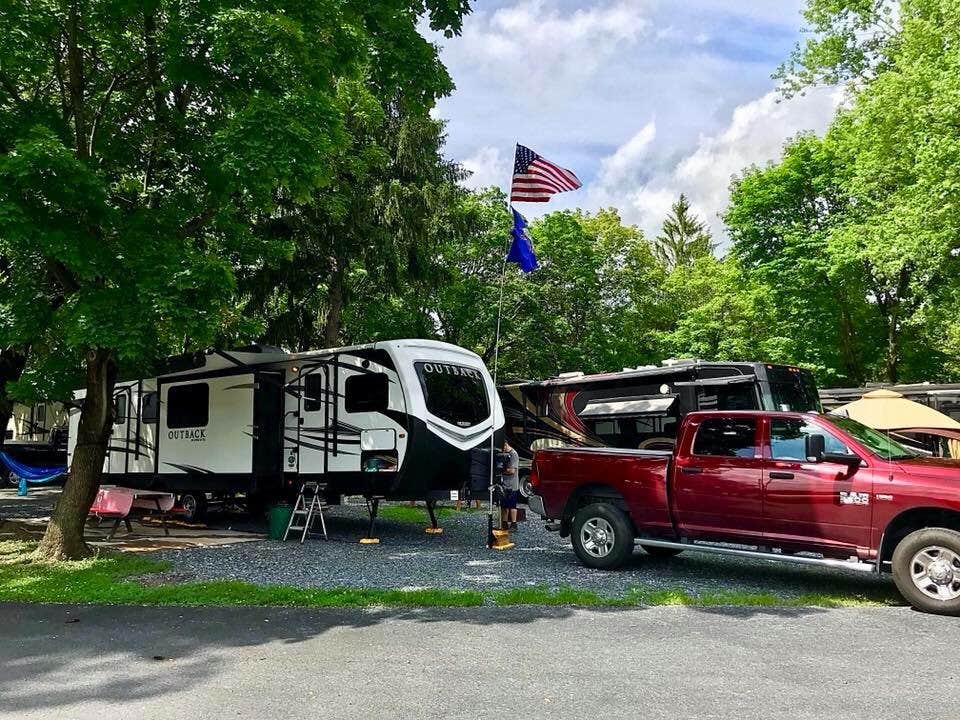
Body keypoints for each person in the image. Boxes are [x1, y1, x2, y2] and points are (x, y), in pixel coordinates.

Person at [499, 440, 521, 530]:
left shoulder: (513, 454)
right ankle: (504, 523)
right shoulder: (504, 454)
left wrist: (501, 470)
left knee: (512, 505)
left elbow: (512, 471)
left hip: (512, 484)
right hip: (504, 483)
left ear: (506, 444)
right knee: (504, 505)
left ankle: (514, 523)